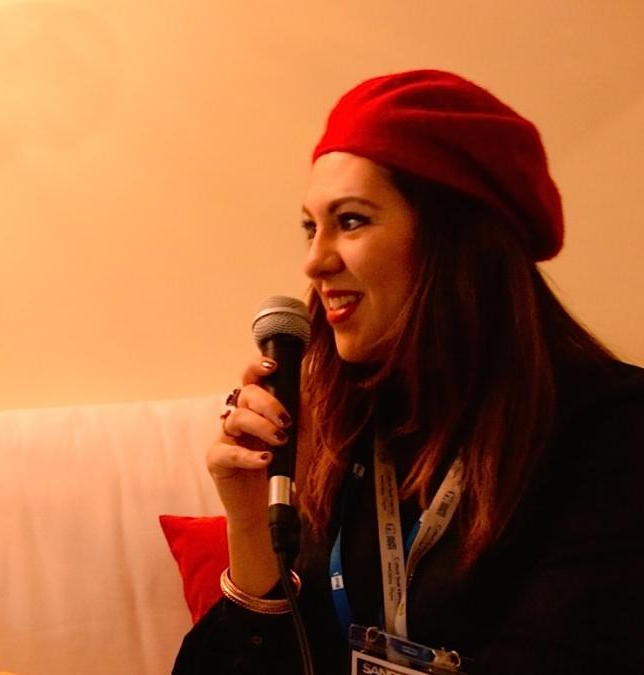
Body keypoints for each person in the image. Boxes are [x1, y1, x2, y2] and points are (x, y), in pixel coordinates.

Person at [172, 70, 644, 673]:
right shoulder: (349, 427)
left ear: (456, 240)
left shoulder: (614, 433)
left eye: (350, 220)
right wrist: (250, 525)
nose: (314, 261)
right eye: (311, 227)